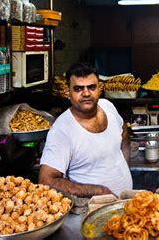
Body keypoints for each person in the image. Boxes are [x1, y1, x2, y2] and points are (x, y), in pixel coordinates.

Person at [39, 62, 132, 197]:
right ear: (67, 92)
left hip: (126, 202)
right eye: (78, 89)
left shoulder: (108, 106)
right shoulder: (62, 130)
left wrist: (125, 170)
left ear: (99, 88)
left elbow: (124, 132)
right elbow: (46, 181)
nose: (86, 93)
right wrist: (99, 191)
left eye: (91, 87)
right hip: (90, 210)